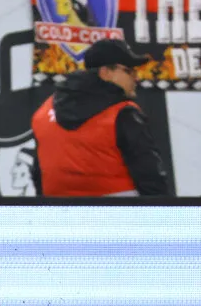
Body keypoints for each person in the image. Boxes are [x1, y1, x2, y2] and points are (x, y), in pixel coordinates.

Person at [30, 39, 171, 197]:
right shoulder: (122, 113)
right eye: (129, 71)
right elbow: (150, 175)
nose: (136, 77)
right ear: (105, 73)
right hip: (118, 213)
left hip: (61, 214)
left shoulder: (44, 110)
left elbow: (38, 173)